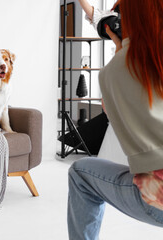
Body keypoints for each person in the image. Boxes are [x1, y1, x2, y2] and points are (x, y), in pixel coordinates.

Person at [67, 0, 163, 239]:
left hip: (157, 197)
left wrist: (121, 56)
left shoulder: (113, 72)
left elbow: (117, 116)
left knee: (81, 172)